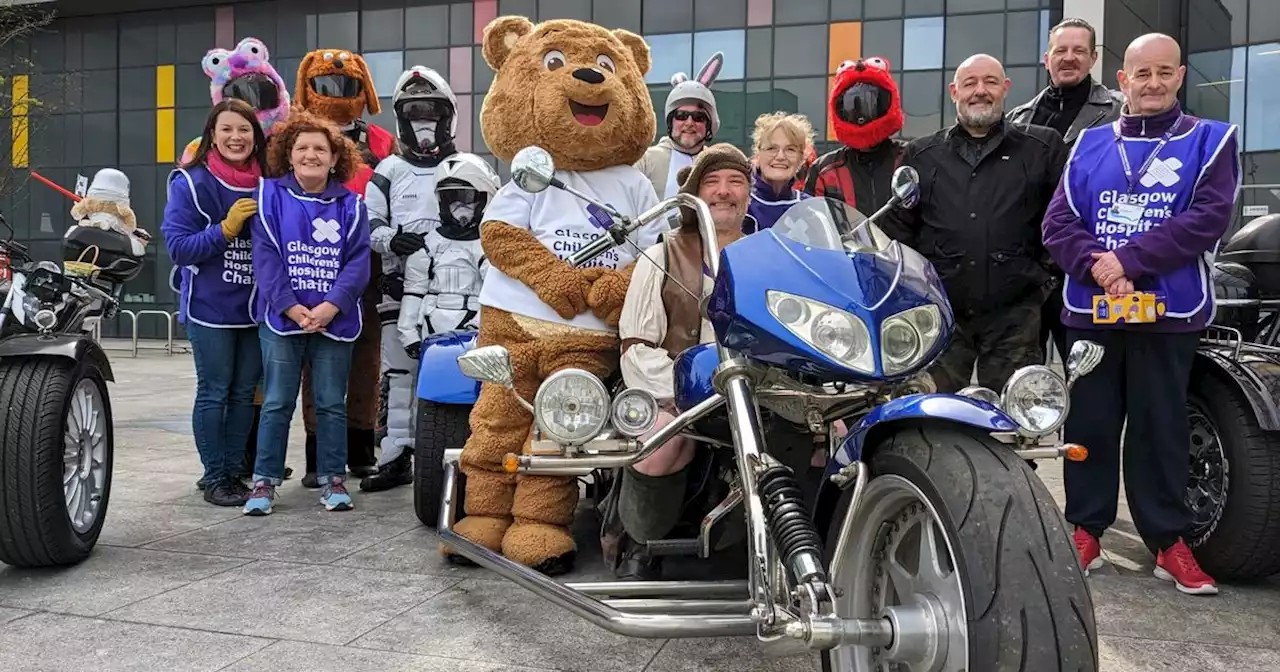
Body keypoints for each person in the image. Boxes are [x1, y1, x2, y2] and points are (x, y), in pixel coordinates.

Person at [1042, 33, 1239, 595]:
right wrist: (1102, 269)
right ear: (1123, 80)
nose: (1151, 83)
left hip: (1169, 310)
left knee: (1162, 428)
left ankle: (1167, 541)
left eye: (1162, 72)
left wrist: (1124, 260)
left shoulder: (1211, 140)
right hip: (1092, 311)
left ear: (1179, 76)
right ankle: (1085, 528)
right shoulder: (1088, 145)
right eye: (1140, 74)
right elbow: (1058, 225)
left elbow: (1205, 219)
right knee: (1089, 425)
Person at [605, 144, 760, 579]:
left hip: (760, 392)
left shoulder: (769, 256)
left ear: (749, 193)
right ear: (695, 195)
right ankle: (641, 537)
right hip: (679, 394)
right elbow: (634, 346)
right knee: (661, 443)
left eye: (735, 182)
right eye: (712, 183)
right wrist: (685, 387)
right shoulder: (663, 255)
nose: (724, 192)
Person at [881, 54, 1067, 393]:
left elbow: (1061, 220)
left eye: (990, 82)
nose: (980, 91)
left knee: (1017, 421)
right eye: (970, 83)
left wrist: (1042, 278)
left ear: (1005, 88)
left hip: (1015, 316)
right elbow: (899, 231)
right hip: (941, 317)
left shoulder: (1042, 147)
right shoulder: (921, 155)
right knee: (932, 417)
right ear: (954, 91)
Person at [243, 110, 372, 515]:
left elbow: (358, 263)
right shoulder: (269, 197)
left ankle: (333, 479)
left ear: (336, 158)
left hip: (335, 320)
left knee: (332, 402)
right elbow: (266, 260)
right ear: (289, 154)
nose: (311, 155)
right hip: (284, 319)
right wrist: (294, 308)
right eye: (303, 148)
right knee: (278, 401)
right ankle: (264, 482)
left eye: (321, 148)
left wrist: (331, 306)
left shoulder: (352, 206)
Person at [291, 48, 396, 485]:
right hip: (310, 264)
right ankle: (318, 454)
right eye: (326, 85)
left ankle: (360, 448)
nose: (336, 94)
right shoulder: (297, 137)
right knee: (316, 362)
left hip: (367, 265)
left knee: (367, 360)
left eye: (347, 86)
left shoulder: (381, 142)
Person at [368, 153, 498, 492]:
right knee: (403, 388)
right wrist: (408, 331)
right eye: (451, 199)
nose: (459, 208)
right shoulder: (426, 247)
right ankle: (396, 456)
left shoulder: (492, 247)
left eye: (467, 198)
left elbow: (496, 296)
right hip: (433, 334)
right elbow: (413, 292)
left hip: (475, 331)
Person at [162, 99, 269, 507]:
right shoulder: (190, 182)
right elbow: (178, 247)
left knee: (245, 393)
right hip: (209, 308)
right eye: (226, 129)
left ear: (255, 137)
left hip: (256, 308)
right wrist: (224, 230)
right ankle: (214, 477)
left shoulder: (269, 183)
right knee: (214, 390)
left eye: (244, 129)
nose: (235, 137)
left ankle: (231, 471)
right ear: (212, 134)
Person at [362, 65, 461, 492]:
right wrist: (391, 240)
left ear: (447, 118)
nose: (425, 124)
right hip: (398, 288)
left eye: (433, 114)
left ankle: (451, 456)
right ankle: (395, 454)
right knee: (399, 374)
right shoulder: (387, 171)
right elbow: (366, 225)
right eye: (414, 114)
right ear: (401, 120)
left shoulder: (465, 165)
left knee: (455, 373)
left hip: (456, 292)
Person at [1009, 17, 1124, 365]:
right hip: (1027, 274)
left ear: (1093, 58)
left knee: (1089, 379)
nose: (1069, 58)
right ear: (1047, 59)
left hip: (1086, 265)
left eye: (1079, 50)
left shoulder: (1121, 110)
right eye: (1061, 50)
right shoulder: (1018, 120)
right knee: (1023, 384)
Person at [804, 57, 906, 212]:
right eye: (853, 104)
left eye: (869, 101)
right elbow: (812, 220)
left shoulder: (909, 156)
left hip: (900, 237)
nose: (861, 111)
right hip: (847, 237)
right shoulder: (825, 169)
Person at [636, 52, 723, 202]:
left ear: (709, 124)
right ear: (671, 121)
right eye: (681, 115)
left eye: (698, 117)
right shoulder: (645, 160)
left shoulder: (718, 162)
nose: (689, 123)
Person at [747, 112, 812, 229]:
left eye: (790, 149)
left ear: (801, 159)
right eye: (772, 148)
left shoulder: (810, 210)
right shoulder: (742, 204)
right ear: (758, 155)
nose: (780, 156)